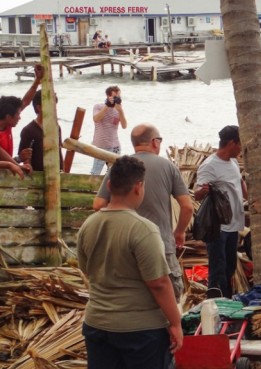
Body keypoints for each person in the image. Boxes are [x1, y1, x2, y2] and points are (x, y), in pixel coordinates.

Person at [78, 156, 183, 369]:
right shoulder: (143, 229)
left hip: (97, 324)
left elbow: (87, 270)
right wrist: (175, 323)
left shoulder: (89, 225)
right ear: (138, 187)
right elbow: (159, 283)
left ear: (109, 185)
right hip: (140, 332)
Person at [93, 124, 194, 301]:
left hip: (124, 244)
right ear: (155, 142)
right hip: (162, 244)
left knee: (132, 294)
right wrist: (179, 232)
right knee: (168, 294)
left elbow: (98, 204)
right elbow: (187, 207)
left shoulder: (121, 167)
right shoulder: (168, 167)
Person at [194, 125, 247, 299]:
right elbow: (197, 194)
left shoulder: (233, 162)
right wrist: (204, 190)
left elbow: (239, 182)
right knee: (218, 266)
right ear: (232, 143)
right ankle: (216, 301)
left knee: (230, 266)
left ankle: (228, 298)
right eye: (240, 144)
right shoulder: (209, 166)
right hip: (218, 225)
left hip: (233, 224)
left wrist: (250, 198)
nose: (241, 148)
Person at [0, 63, 43, 176]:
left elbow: (25, 101)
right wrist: (15, 165)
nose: (20, 117)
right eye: (17, 115)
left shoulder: (6, 124)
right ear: (9, 117)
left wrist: (37, 80)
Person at [18, 90, 63, 171]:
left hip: (56, 173)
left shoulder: (56, 127)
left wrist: (63, 171)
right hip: (37, 175)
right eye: (51, 105)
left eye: (55, 106)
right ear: (39, 107)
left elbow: (59, 152)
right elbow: (26, 159)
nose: (54, 109)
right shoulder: (28, 130)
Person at [91, 85, 127, 175]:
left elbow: (124, 126)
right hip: (101, 145)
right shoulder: (98, 106)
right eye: (115, 97)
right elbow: (96, 119)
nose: (117, 99)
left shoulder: (118, 109)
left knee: (114, 173)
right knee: (95, 172)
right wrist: (107, 106)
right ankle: (91, 188)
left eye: (119, 97)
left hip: (115, 145)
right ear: (108, 96)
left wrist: (120, 111)